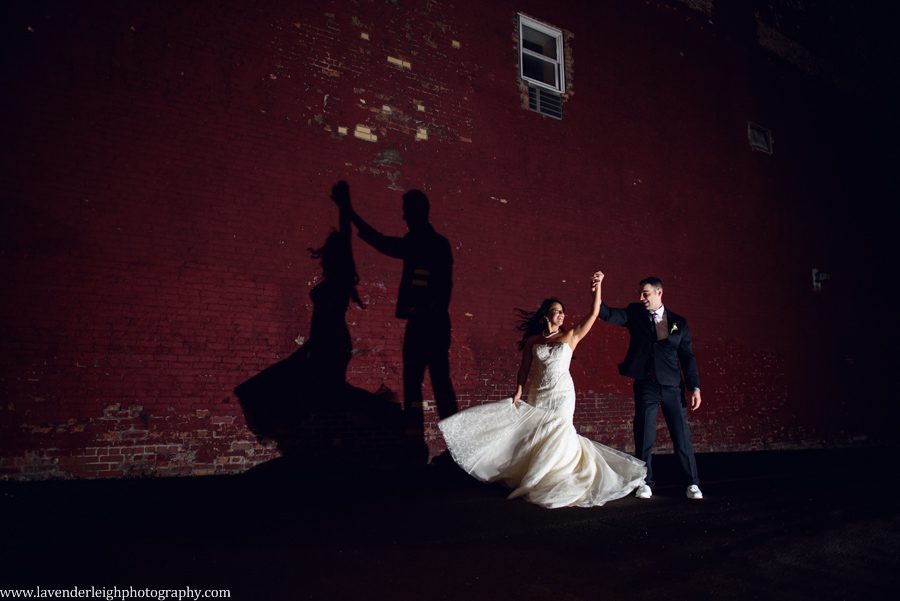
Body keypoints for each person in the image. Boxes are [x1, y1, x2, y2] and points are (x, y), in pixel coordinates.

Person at [438, 271, 647, 509]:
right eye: (557, 310)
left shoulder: (570, 336)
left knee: (557, 431)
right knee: (538, 434)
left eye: (562, 311)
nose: (561, 314)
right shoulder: (534, 341)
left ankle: (555, 478)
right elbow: (524, 368)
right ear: (547, 315)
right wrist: (518, 390)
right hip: (539, 392)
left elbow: (594, 313)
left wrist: (598, 287)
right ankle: (536, 475)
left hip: (562, 394)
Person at [330, 181, 457, 441]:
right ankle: (444, 448)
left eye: (407, 211)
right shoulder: (428, 242)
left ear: (419, 212)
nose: (404, 216)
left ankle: (442, 448)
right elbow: (385, 244)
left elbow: (384, 244)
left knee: (426, 387)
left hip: (427, 324)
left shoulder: (428, 244)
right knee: (429, 386)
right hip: (426, 323)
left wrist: (349, 211)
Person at [598, 275, 703, 500]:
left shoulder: (678, 322)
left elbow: (687, 357)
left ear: (659, 293)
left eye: (645, 293)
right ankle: (644, 482)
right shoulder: (635, 314)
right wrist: (597, 290)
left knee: (681, 436)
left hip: (673, 388)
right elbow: (606, 313)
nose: (641, 297)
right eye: (640, 294)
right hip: (647, 386)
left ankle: (692, 483)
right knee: (644, 435)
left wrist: (695, 388)